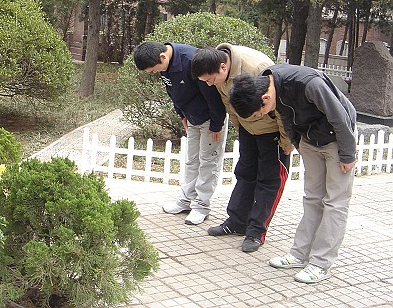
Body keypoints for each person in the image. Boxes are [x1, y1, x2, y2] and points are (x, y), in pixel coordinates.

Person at [228, 64, 356, 283]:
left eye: (260, 113)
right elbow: (286, 116)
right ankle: (299, 254)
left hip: (337, 139)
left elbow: (339, 116)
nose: (262, 116)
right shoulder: (269, 81)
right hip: (309, 139)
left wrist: (347, 154)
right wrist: (297, 143)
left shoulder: (308, 83)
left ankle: (321, 264)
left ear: (265, 98)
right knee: (312, 198)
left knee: (335, 203)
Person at [190, 44, 293, 253]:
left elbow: (282, 107)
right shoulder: (218, 72)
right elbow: (230, 106)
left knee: (269, 180)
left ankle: (256, 231)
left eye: (211, 80)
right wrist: (241, 129)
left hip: (271, 131)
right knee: (244, 173)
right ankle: (237, 221)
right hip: (248, 128)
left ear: (223, 67)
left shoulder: (258, 68)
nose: (210, 84)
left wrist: (286, 140)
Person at [133, 41, 227, 225]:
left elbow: (213, 95)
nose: (155, 73)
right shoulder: (165, 66)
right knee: (192, 160)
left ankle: (201, 206)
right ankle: (186, 200)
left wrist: (217, 125)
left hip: (210, 119)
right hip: (191, 117)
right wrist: (182, 115)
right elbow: (172, 91)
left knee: (208, 162)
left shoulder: (192, 60)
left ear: (162, 57)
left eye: (154, 70)